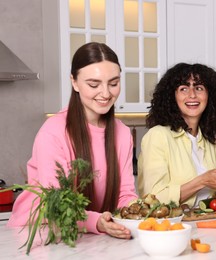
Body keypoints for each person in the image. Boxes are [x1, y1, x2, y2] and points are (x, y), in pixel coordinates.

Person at [7, 42, 137, 239]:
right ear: (74, 82)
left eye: (113, 83)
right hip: (37, 233)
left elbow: (125, 194)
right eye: (94, 84)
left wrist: (141, 211)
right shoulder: (53, 132)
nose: (106, 93)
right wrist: (97, 222)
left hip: (88, 234)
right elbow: (57, 205)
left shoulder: (122, 133)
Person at [137, 63, 216, 208]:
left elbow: (209, 199)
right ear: (172, 97)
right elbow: (154, 199)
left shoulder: (206, 140)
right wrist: (202, 181)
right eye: (183, 89)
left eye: (199, 88)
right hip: (171, 227)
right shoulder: (157, 136)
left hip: (204, 223)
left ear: (209, 96)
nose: (192, 95)